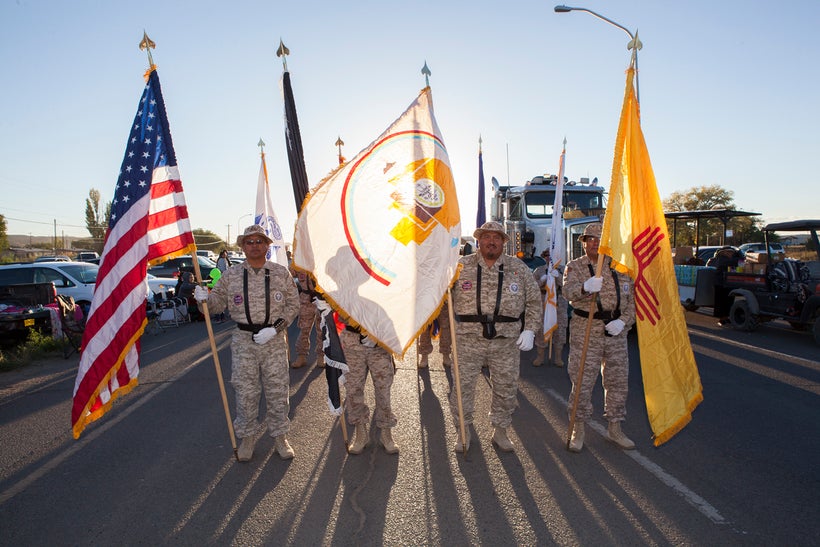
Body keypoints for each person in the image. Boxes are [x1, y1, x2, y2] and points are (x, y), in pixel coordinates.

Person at [194, 225, 300, 462]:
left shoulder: (280, 273)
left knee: (277, 390)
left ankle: (280, 436)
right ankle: (247, 438)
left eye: (259, 241)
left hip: (273, 340)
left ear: (267, 245)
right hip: (243, 342)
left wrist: (276, 328)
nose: (254, 245)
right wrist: (205, 300)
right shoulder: (231, 275)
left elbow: (293, 305)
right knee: (245, 392)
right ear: (243, 246)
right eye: (249, 242)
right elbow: (216, 305)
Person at [448, 221, 542, 453]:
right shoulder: (460, 266)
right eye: (487, 236)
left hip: (505, 342)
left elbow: (533, 301)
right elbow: (440, 296)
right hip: (467, 340)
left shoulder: (518, 268)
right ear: (478, 240)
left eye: (497, 237)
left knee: (505, 388)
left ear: (503, 242)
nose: (491, 241)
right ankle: (463, 431)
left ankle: (500, 431)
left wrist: (530, 329)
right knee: (462, 387)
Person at [563, 222, 636, 453]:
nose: (595, 243)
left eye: (599, 239)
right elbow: (567, 293)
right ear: (584, 243)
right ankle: (578, 428)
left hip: (615, 333)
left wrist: (623, 321)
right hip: (587, 330)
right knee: (582, 382)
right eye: (590, 239)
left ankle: (614, 428)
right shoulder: (575, 267)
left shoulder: (622, 269)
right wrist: (585, 287)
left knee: (617, 382)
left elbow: (633, 302)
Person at [339, 320, 399, 455]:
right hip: (352, 342)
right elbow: (340, 307)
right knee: (353, 389)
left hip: (379, 342)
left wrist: (375, 334)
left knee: (383, 389)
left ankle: (386, 432)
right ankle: (361, 433)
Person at [532, 248, 567, 367]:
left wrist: (558, 276)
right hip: (543, 302)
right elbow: (531, 288)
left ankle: (558, 358)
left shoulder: (563, 269)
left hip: (559, 303)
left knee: (560, 330)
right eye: (547, 255)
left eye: (551, 256)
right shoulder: (539, 270)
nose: (549, 258)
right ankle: (540, 357)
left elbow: (567, 286)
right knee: (541, 330)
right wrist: (542, 280)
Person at [289, 268, 323, 369]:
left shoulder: (320, 261)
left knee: (321, 330)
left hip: (320, 300)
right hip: (305, 301)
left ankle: (321, 356)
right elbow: (289, 274)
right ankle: (301, 356)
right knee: (304, 330)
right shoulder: (298, 263)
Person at [416, 302, 452, 369]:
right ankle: (424, 355)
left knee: (445, 327)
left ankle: (446, 354)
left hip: (443, 298)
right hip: (427, 298)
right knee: (425, 328)